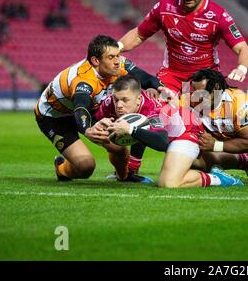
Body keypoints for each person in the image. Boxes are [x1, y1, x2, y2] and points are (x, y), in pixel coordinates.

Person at [34, 35, 164, 181]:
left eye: (118, 56)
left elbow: (143, 77)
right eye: (111, 57)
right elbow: (81, 106)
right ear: (96, 61)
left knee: (120, 148)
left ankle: (124, 176)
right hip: (55, 118)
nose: (117, 61)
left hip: (87, 109)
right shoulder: (84, 79)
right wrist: (88, 130)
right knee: (86, 167)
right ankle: (62, 169)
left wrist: (161, 87)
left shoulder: (117, 65)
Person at [118, 0, 248, 94]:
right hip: (171, 75)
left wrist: (241, 69)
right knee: (161, 109)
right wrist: (117, 47)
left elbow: (243, 49)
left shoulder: (218, 15)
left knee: (209, 112)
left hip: (206, 78)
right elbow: (138, 35)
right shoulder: (165, 7)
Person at [101, 75, 245, 188]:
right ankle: (247, 162)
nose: (119, 105)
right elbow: (92, 116)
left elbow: (162, 142)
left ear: (138, 100)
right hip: (174, 130)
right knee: (200, 164)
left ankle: (218, 178)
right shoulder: (113, 101)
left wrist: (130, 129)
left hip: (186, 131)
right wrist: (94, 127)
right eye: (116, 100)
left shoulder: (153, 108)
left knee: (168, 182)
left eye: (125, 100)